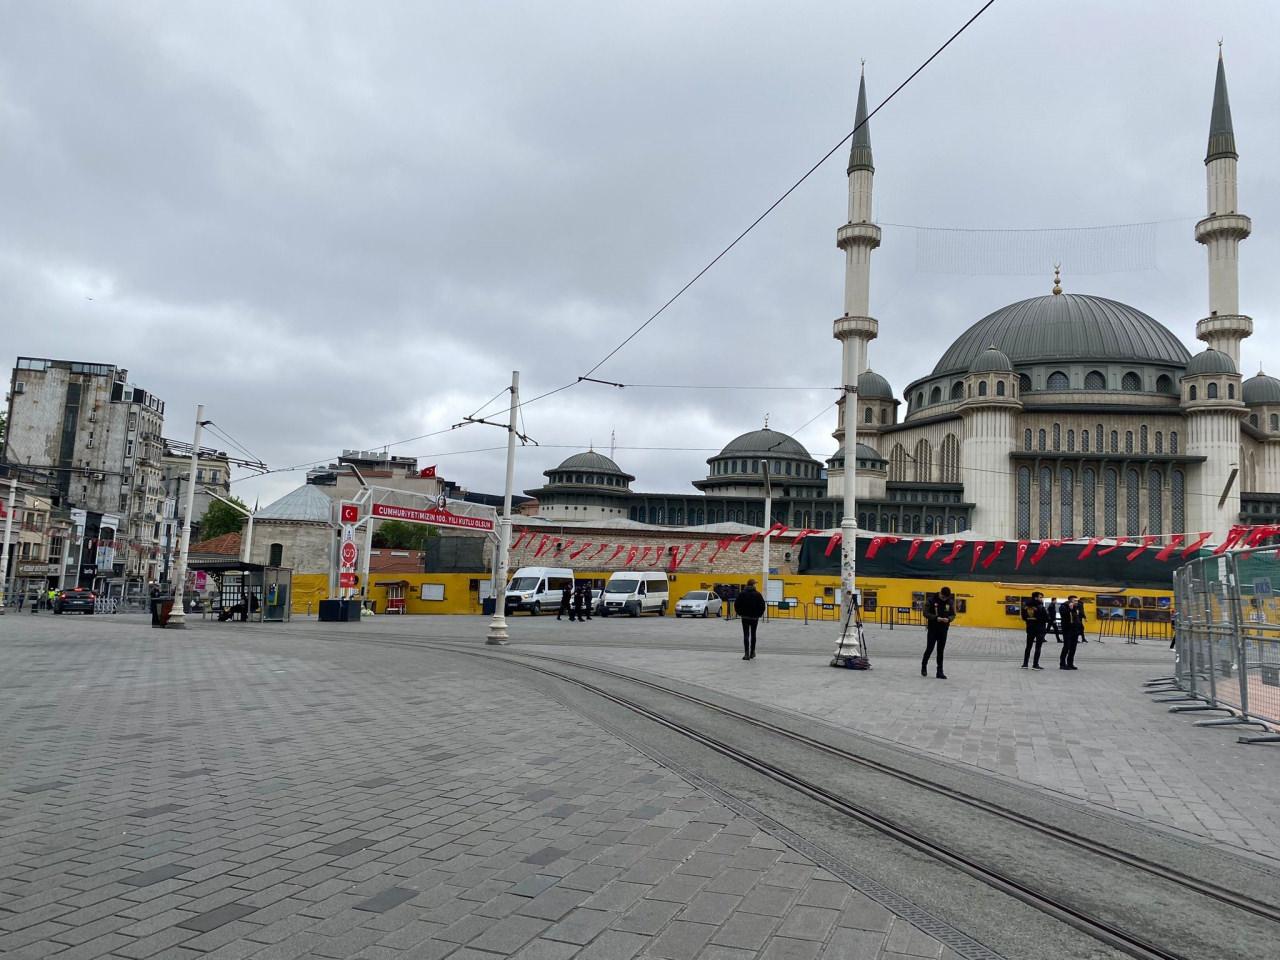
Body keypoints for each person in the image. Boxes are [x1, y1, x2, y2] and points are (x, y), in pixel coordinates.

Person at [922, 587, 955, 679]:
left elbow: (953, 614)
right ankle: (924, 666)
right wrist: (936, 618)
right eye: (943, 597)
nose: (944, 599)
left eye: (946, 598)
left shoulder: (949, 602)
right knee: (930, 648)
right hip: (933, 628)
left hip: (943, 629)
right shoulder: (931, 600)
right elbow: (925, 613)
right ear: (940, 593)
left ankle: (939, 671)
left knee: (940, 651)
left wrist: (948, 619)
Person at [736, 579, 766, 660]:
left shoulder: (742, 594)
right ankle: (752, 652)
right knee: (753, 635)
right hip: (754, 618)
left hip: (745, 617)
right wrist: (759, 614)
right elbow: (762, 606)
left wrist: (740, 613)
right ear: (752, 585)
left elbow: (736, 605)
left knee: (746, 635)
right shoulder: (758, 594)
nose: (755, 585)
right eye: (755, 584)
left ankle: (746, 654)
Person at [1022, 592, 1048, 669]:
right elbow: (1046, 618)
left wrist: (1030, 621)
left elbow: (1023, 617)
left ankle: (1025, 664)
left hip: (1030, 628)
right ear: (1036, 598)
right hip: (1039, 629)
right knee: (1038, 647)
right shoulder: (1040, 606)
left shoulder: (1026, 606)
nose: (1042, 599)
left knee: (1028, 647)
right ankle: (1035, 664)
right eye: (1040, 597)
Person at [1060, 595, 1085, 669]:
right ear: (1070, 601)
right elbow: (1064, 615)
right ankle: (1062, 664)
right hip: (1067, 630)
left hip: (1075, 630)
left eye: (1077, 601)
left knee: (1073, 647)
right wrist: (1070, 609)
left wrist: (1079, 629)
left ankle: (1070, 663)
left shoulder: (1077, 607)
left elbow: (1077, 618)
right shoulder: (1063, 606)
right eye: (1075, 601)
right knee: (1066, 646)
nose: (1077, 602)